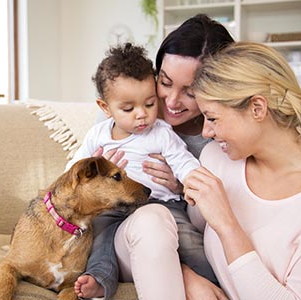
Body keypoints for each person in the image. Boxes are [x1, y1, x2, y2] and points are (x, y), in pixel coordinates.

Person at [182, 41, 301, 299]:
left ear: (257, 108)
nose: (206, 132)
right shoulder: (216, 160)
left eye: (212, 118)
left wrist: (227, 225)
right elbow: (184, 237)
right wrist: (186, 276)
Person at [75, 14, 234, 300]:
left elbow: (208, 204)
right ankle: (100, 278)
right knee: (110, 234)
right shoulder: (116, 114)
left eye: (190, 91)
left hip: (167, 216)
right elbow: (76, 174)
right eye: (165, 82)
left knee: (175, 230)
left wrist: (181, 185)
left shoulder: (218, 137)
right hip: (122, 223)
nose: (171, 102)